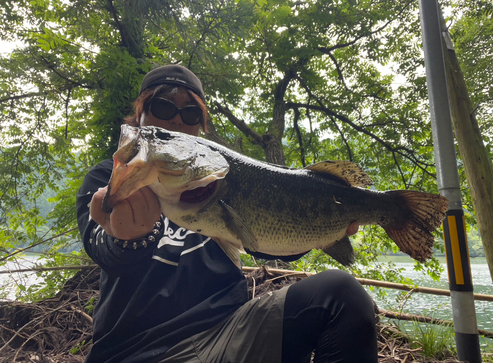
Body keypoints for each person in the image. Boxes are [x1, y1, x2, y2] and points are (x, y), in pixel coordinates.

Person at [76, 64, 378, 363]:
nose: (177, 121)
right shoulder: (109, 178)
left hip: (229, 339)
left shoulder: (222, 177)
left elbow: (267, 240)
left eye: (190, 113)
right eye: (163, 107)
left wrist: (321, 227)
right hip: (132, 352)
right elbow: (102, 246)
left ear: (200, 127)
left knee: (341, 295)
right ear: (139, 114)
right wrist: (131, 239)